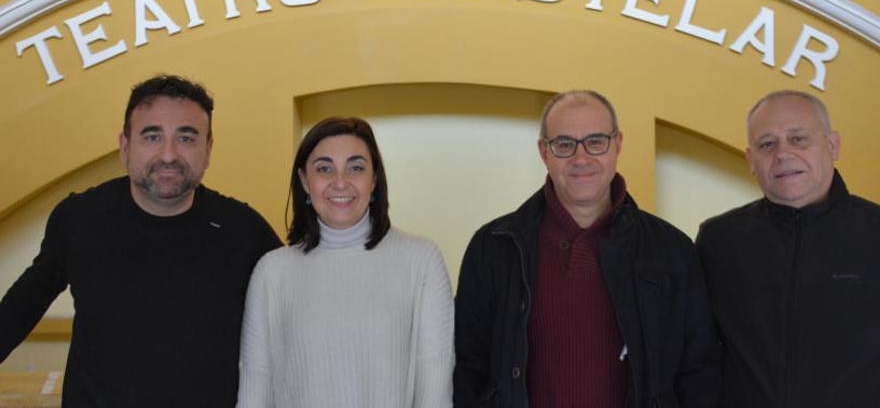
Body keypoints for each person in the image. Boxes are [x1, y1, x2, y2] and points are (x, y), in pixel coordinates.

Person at [0, 75, 281, 407]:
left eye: (187, 138)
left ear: (208, 150)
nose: (168, 154)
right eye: (152, 136)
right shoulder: (79, 219)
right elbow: (18, 310)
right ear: (124, 146)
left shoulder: (244, 232)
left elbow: (297, 325)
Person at [454, 90, 721, 408]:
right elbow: (469, 370)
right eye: (565, 144)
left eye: (596, 141)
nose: (581, 159)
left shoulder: (672, 250)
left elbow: (699, 374)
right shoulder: (494, 247)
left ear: (618, 144)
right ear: (544, 152)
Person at [236, 116, 454, 408]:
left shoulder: (422, 260)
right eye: (324, 168)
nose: (340, 182)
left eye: (356, 168)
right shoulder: (272, 272)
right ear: (304, 180)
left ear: (374, 179)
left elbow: (435, 392)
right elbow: (255, 389)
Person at [696, 90, 880, 408]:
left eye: (798, 139)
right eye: (767, 144)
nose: (783, 154)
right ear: (751, 160)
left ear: (832, 145)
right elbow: (695, 354)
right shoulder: (719, 240)